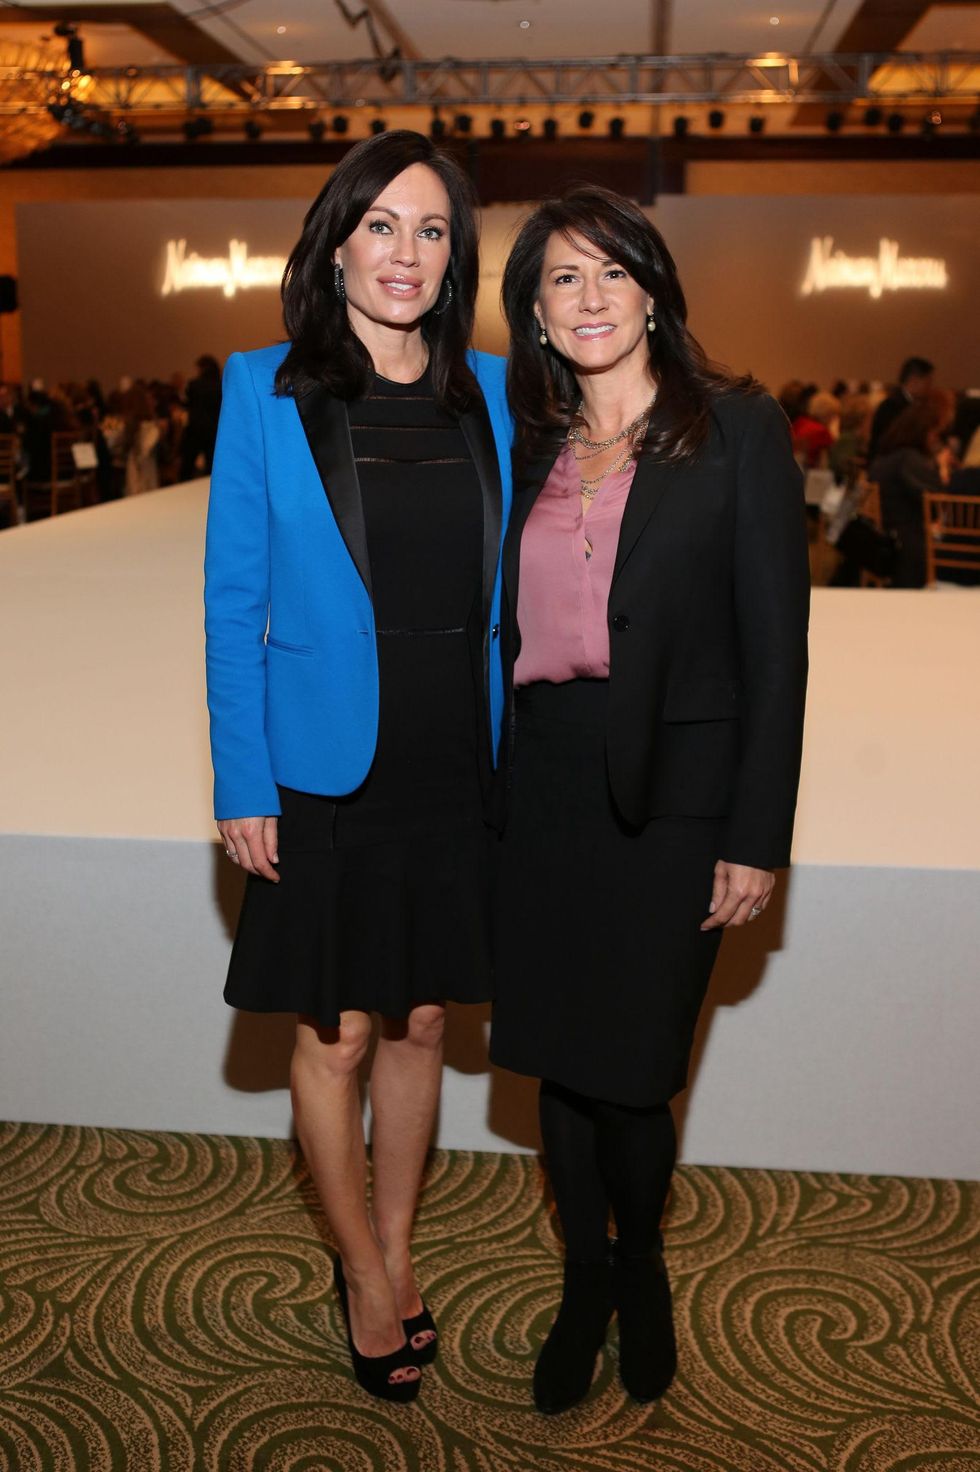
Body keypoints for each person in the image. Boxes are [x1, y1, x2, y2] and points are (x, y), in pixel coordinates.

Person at [204, 131, 513, 1403]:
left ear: (457, 258)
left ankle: (394, 1244)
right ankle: (356, 1267)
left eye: (431, 230)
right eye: (380, 225)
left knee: (426, 1016)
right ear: (336, 243)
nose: (405, 252)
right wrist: (241, 777)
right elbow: (232, 599)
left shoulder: (495, 389)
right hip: (322, 764)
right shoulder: (261, 385)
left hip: (460, 749)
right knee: (330, 1034)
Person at [490, 186, 809, 1415]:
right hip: (543, 782)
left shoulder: (734, 429)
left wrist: (753, 830)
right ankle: (581, 1280)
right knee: (554, 1072)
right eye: (559, 279)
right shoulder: (525, 440)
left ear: (654, 289)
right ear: (531, 307)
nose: (587, 298)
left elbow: (774, 650)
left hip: (674, 795)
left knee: (630, 1068)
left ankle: (642, 1271)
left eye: (610, 272)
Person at [868, 390, 954, 588]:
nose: (938, 440)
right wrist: (940, 468)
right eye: (937, 433)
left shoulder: (886, 458)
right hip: (910, 549)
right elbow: (937, 505)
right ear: (925, 432)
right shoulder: (909, 461)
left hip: (886, 542)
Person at [868, 356, 934, 460]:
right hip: (890, 465)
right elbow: (892, 442)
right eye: (928, 382)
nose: (930, 388)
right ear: (914, 380)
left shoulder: (906, 404)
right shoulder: (892, 406)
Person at [180, 353, 222, 480]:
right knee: (211, 466)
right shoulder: (221, 385)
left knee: (187, 465)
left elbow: (187, 404)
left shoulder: (194, 385)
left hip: (195, 429)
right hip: (214, 429)